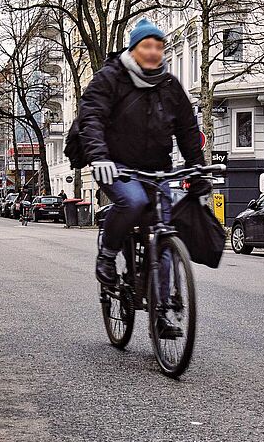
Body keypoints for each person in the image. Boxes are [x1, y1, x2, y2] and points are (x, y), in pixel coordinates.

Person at [79, 18, 207, 286]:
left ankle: (164, 315)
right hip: (116, 166)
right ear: (134, 48)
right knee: (134, 202)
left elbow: (187, 130)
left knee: (164, 231)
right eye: (147, 46)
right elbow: (91, 118)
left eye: (159, 47)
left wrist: (198, 169)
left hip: (157, 170)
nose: (154, 52)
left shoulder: (170, 86)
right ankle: (108, 253)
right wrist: (99, 157)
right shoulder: (110, 78)